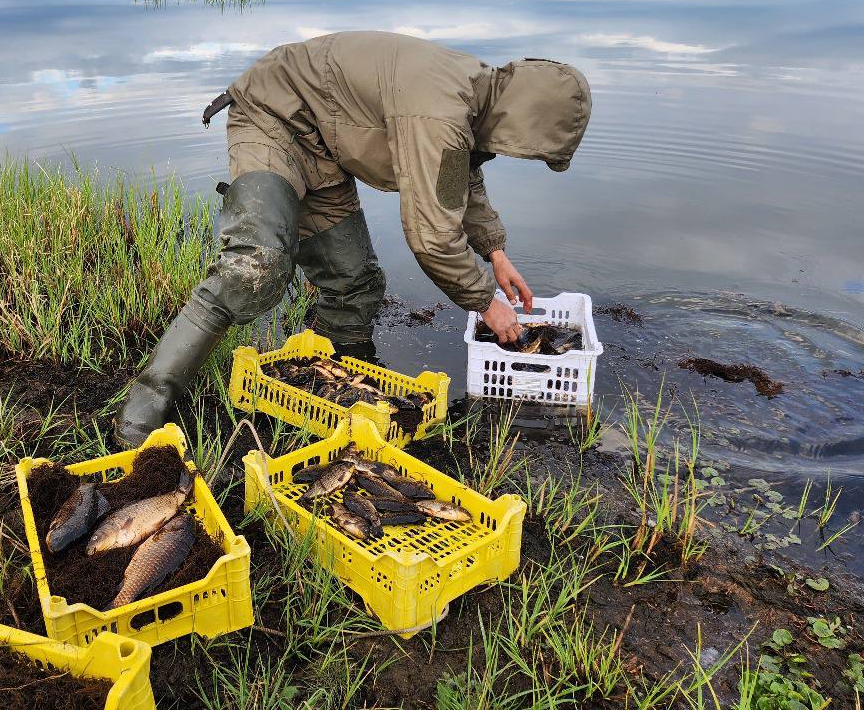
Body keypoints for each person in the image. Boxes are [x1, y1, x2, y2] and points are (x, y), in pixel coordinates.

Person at [113, 30, 592, 446]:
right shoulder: (440, 114)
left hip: (325, 149)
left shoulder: (478, 96)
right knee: (253, 270)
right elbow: (431, 236)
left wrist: (495, 252)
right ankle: (141, 412)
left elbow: (459, 178)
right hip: (274, 119)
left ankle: (337, 392)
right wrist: (486, 301)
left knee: (354, 283)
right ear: (525, 123)